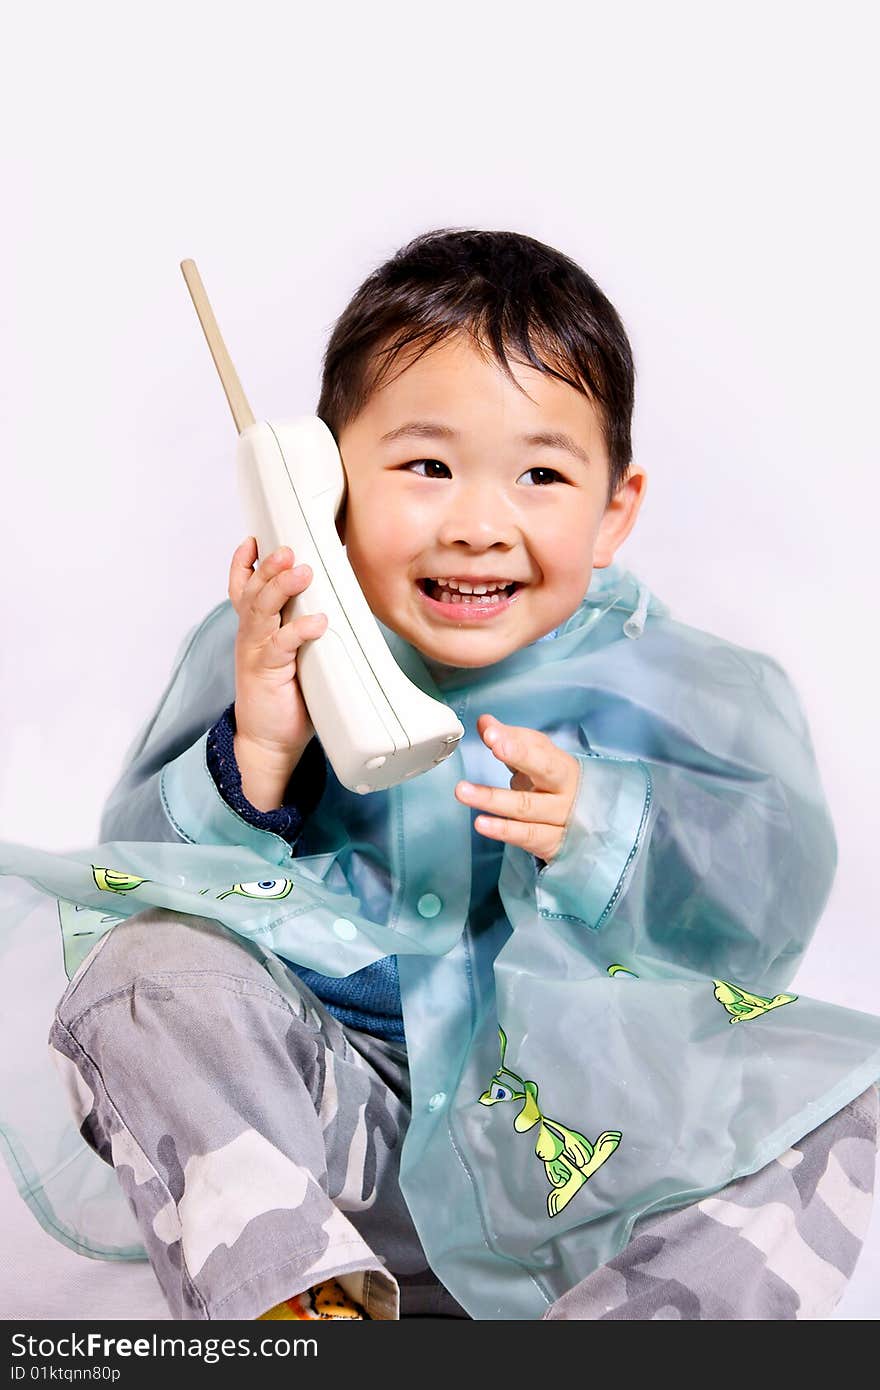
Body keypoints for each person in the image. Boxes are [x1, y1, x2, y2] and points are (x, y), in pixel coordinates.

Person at [1, 229, 878, 1321]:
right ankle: (294, 1306)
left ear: (613, 510)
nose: (476, 525)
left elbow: (765, 894)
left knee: (839, 1092)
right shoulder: (280, 645)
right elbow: (136, 876)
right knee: (146, 964)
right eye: (425, 467)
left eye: (542, 475)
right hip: (331, 1135)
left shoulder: (670, 682)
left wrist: (604, 828)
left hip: (573, 1151)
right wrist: (260, 750)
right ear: (322, 483)